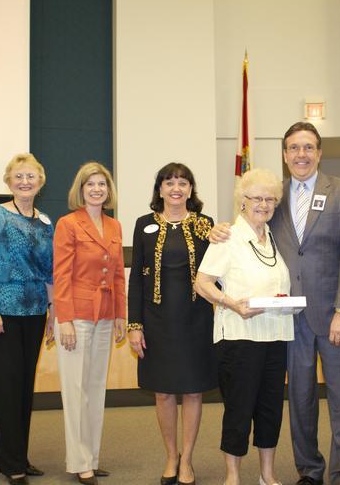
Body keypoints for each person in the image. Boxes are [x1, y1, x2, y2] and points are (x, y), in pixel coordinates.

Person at [211, 121, 340, 485]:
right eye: (294, 148)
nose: (301, 154)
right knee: (300, 402)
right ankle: (309, 470)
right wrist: (218, 228)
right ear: (284, 155)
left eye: (308, 147)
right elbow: (249, 225)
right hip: (288, 320)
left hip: (334, 317)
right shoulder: (274, 196)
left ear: (319, 152)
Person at [194, 168, 293, 485]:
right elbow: (202, 283)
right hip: (239, 337)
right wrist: (232, 303)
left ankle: (267, 474)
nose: (264, 204)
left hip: (276, 336)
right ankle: (233, 476)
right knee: (239, 410)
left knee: (270, 409)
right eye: (257, 198)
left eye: (270, 199)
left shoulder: (274, 237)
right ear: (242, 201)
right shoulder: (228, 237)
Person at [127, 162, 216, 485]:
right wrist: (134, 325)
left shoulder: (205, 224)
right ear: (160, 189)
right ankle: (170, 456)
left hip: (196, 320)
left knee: (192, 391)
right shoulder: (143, 224)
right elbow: (136, 279)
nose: (176, 188)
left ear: (191, 189)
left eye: (182, 183)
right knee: (163, 392)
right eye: (169, 182)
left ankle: (187, 459)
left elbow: (219, 270)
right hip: (157, 322)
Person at [0, 153, 55, 485]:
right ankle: (11, 464)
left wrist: (53, 312)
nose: (25, 181)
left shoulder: (45, 222)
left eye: (30, 176)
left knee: (24, 388)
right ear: (8, 181)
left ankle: (20, 456)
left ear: (40, 182)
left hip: (35, 311)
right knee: (7, 389)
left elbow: (49, 272)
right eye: (18, 176)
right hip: (3, 312)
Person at [52, 162, 126, 485]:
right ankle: (79, 461)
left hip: (106, 314)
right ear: (80, 190)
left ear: (108, 190)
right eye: (90, 184)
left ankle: (92, 458)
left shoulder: (114, 225)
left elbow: (119, 274)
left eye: (102, 184)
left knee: (96, 389)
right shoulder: (68, 224)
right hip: (77, 315)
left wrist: (121, 314)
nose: (97, 189)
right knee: (75, 390)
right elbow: (61, 275)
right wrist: (64, 319)